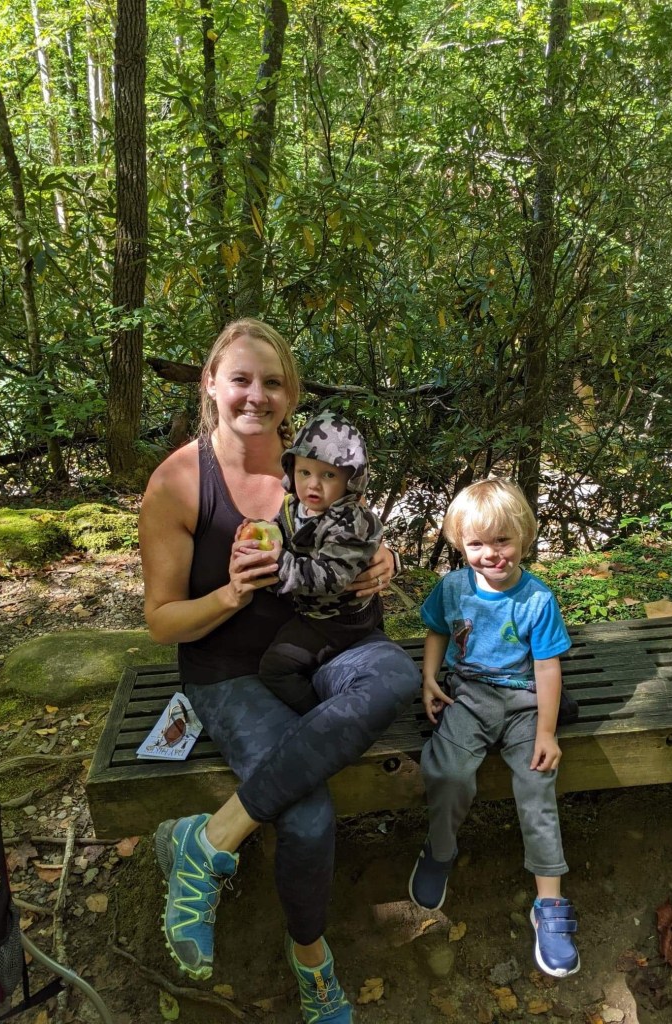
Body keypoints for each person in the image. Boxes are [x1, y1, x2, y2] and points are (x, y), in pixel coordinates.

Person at [138, 318, 420, 1023]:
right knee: (307, 812)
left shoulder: (314, 463)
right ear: (211, 384)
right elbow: (162, 621)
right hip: (230, 671)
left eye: (272, 382)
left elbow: (359, 530)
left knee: (394, 677)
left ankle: (209, 839)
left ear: (290, 395)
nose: (255, 396)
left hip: (332, 645)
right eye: (240, 379)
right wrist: (232, 594)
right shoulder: (179, 482)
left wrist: (383, 560)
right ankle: (312, 959)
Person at [408, 477, 580, 978]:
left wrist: (546, 731)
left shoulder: (537, 599)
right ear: (460, 545)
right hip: (469, 697)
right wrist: (428, 678)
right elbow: (437, 629)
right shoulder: (454, 587)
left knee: (537, 783)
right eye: (477, 544)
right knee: (447, 771)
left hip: (526, 705)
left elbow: (547, 667)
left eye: (503, 540)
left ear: (524, 535)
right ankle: (440, 850)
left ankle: (549, 903)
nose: (491, 554)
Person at [238, 410, 385, 715]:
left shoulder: (349, 522)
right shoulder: (295, 505)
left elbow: (330, 579)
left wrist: (279, 562)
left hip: (339, 618)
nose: (313, 485)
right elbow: (283, 531)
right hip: (315, 611)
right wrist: (260, 531)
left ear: (351, 480)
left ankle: (321, 717)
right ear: (291, 469)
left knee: (275, 668)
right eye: (304, 472)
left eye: (328, 475)